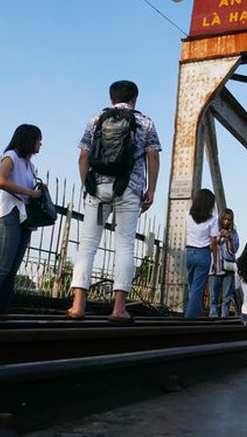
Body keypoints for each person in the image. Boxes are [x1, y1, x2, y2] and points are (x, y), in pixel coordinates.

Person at [67, 80, 161, 322]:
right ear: (134, 99)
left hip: (97, 189)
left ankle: (78, 305)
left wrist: (88, 185)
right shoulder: (145, 122)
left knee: (87, 244)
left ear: (111, 99)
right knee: (125, 246)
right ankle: (119, 309)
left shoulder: (95, 120)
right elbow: (153, 156)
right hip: (129, 188)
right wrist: (151, 189)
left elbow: (83, 156)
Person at [0, 124, 43, 314]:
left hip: (25, 219)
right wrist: (30, 193)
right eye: (38, 139)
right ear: (28, 139)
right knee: (1, 269)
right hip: (9, 214)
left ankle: (1, 313)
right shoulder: (11, 156)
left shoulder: (30, 165)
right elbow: (0, 181)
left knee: (11, 272)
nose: (40, 143)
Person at [185, 188, 219, 318]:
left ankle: (197, 314)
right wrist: (215, 261)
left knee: (192, 287)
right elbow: (214, 243)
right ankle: (190, 320)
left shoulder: (188, 215)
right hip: (203, 254)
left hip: (189, 253)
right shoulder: (212, 220)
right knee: (197, 290)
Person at [209, 209, 239, 317]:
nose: (226, 222)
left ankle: (224, 317)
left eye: (229, 220)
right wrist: (219, 237)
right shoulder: (213, 230)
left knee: (227, 297)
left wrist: (230, 239)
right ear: (221, 219)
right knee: (213, 296)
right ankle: (213, 316)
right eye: (225, 219)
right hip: (214, 266)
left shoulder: (234, 233)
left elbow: (233, 251)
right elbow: (209, 247)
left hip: (228, 267)